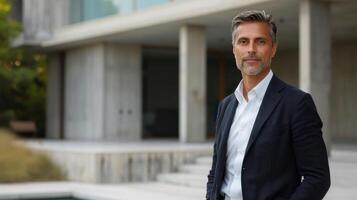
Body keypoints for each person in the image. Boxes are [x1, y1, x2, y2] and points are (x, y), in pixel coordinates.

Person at [206, 10, 330, 200]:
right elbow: (216, 171)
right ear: (234, 49)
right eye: (243, 41)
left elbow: (318, 178)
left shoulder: (296, 104)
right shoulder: (226, 105)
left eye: (260, 41)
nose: (251, 49)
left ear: (273, 48)